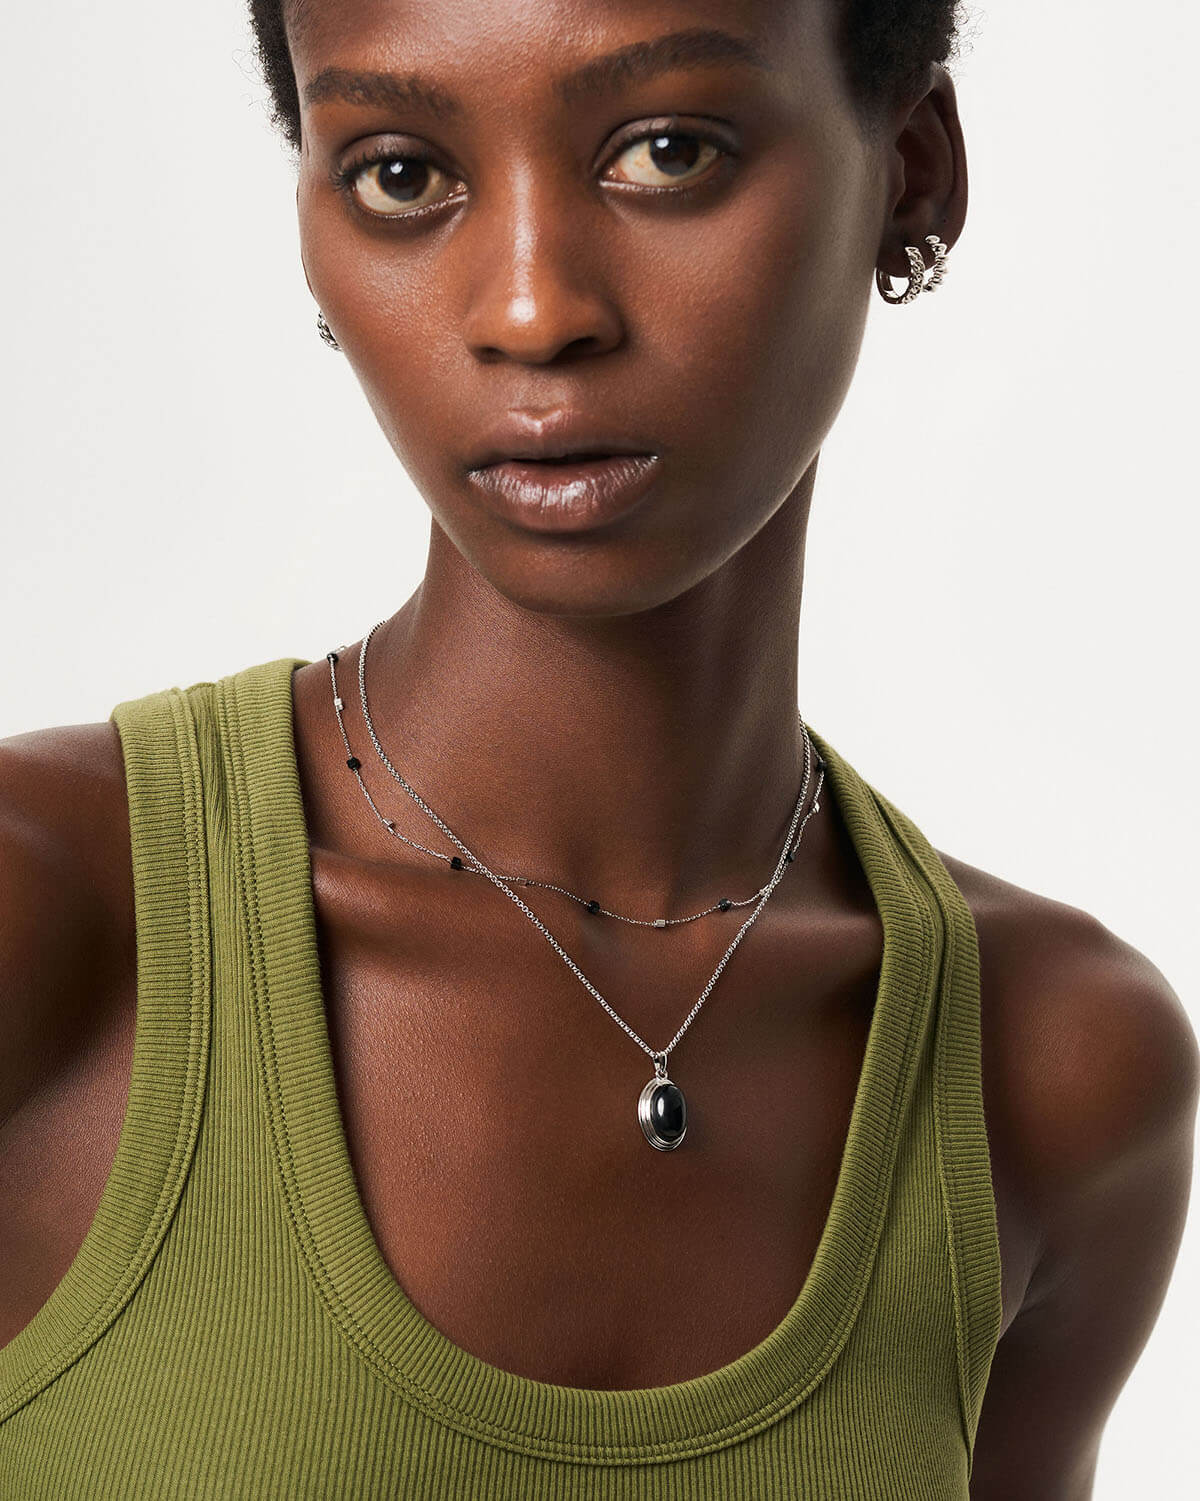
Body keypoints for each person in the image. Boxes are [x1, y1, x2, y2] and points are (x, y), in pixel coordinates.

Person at [0, 1, 1194, 1496]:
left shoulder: (1053, 1076)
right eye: (399, 172)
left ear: (914, 172)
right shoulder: (50, 925)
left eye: (666, 150)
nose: (530, 307)